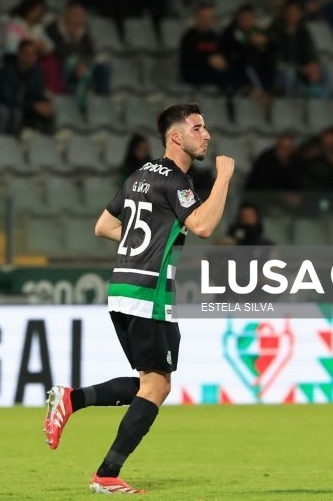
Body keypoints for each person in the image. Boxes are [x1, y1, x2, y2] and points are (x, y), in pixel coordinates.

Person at [43, 102, 235, 494]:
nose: (207, 135)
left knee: (153, 382)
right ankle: (106, 474)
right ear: (177, 137)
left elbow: (103, 226)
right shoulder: (176, 181)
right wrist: (224, 178)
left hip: (125, 289)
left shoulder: (140, 176)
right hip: (148, 291)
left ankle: (72, 399)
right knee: (156, 386)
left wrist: (147, 240)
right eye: (198, 128)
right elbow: (202, 225)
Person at [46, 2, 111, 108]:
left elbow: (90, 52)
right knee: (72, 65)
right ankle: (74, 103)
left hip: (81, 64)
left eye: (81, 15)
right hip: (61, 65)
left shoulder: (83, 31)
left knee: (103, 68)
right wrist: (74, 41)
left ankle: (102, 103)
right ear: (67, 14)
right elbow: (57, 52)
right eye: (76, 15)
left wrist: (82, 62)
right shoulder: (54, 29)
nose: (79, 18)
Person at [5, 0, 63, 93]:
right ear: (27, 9)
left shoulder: (37, 28)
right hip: (18, 59)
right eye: (35, 10)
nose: (37, 13)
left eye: (40, 11)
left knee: (51, 60)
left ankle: (52, 91)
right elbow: (11, 47)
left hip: (35, 57)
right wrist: (33, 46)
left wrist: (44, 47)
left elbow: (50, 46)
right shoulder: (15, 24)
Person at [0, 39, 54, 134]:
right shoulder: (7, 71)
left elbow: (38, 94)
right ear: (19, 54)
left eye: (33, 55)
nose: (30, 58)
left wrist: (44, 103)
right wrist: (33, 106)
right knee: (15, 113)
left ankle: (48, 143)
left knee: (49, 111)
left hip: (28, 109)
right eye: (27, 54)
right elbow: (6, 99)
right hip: (10, 108)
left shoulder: (37, 72)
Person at [267, 0, 320, 96]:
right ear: (284, 12)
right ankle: (289, 102)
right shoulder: (275, 29)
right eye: (290, 11)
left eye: (295, 11)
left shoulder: (303, 31)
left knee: (324, 72)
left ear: (300, 14)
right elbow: (277, 56)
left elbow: (310, 51)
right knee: (289, 73)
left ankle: (318, 103)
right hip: (281, 69)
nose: (292, 14)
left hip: (301, 68)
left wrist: (313, 64)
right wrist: (300, 68)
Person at [220, 5, 275, 95]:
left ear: (253, 19)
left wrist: (263, 45)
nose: (246, 21)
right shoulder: (229, 33)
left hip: (257, 70)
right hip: (238, 71)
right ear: (238, 18)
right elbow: (232, 52)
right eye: (243, 18)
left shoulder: (258, 32)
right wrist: (250, 44)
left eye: (249, 18)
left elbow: (269, 50)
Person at [178, 4, 231, 92]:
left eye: (209, 17)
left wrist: (222, 61)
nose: (206, 21)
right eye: (203, 17)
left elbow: (222, 54)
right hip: (194, 76)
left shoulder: (214, 37)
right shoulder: (189, 37)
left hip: (214, 75)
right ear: (196, 17)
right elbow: (189, 60)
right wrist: (208, 59)